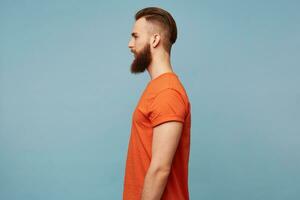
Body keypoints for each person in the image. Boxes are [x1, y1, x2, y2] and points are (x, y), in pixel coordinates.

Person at [123, 7, 191, 200]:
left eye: (135, 36)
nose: (130, 44)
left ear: (154, 40)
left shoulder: (167, 92)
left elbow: (160, 169)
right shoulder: (157, 88)